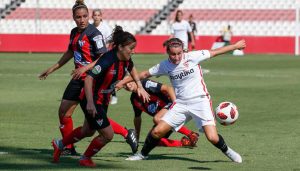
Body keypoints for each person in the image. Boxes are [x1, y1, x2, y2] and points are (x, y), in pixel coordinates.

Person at [117, 38, 246, 163]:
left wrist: (235, 46)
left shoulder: (193, 56)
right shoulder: (164, 65)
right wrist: (123, 81)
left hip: (200, 101)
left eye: (179, 53)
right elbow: (144, 74)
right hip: (181, 104)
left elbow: (215, 52)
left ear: (183, 51)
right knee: (157, 131)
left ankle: (229, 151)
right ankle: (142, 154)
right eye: (173, 54)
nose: (177, 57)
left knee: (212, 137)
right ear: (168, 52)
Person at [51, 25, 150, 167]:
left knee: (87, 131)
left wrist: (139, 86)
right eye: (131, 48)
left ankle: (59, 144)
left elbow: (132, 67)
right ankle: (85, 158)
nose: (133, 51)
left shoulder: (126, 59)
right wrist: (90, 102)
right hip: (91, 99)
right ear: (121, 47)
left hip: (103, 100)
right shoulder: (107, 59)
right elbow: (88, 79)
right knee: (108, 134)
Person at [39, 0, 107, 156]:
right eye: (78, 17)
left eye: (84, 16)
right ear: (73, 17)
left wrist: (85, 67)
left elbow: (103, 57)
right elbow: (70, 52)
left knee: (92, 125)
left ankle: (124, 132)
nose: (82, 20)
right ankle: (68, 148)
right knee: (63, 112)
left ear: (88, 16)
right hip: (77, 79)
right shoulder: (74, 32)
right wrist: (52, 68)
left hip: (91, 80)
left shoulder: (94, 33)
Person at [123, 78, 200, 147]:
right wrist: (137, 136)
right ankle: (184, 143)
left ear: (133, 79)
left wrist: (176, 106)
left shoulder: (145, 83)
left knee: (157, 118)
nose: (128, 85)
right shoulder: (134, 99)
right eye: (124, 85)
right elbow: (137, 118)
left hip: (171, 104)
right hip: (163, 118)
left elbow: (168, 88)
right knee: (151, 140)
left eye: (129, 81)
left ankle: (191, 134)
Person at [92, 9, 118, 105]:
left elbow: (111, 40)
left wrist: (104, 49)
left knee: (108, 76)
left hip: (105, 55)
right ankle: (95, 94)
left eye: (98, 15)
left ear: (101, 16)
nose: (96, 17)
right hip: (95, 55)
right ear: (92, 16)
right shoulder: (91, 27)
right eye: (95, 15)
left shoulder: (106, 27)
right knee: (95, 74)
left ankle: (114, 95)